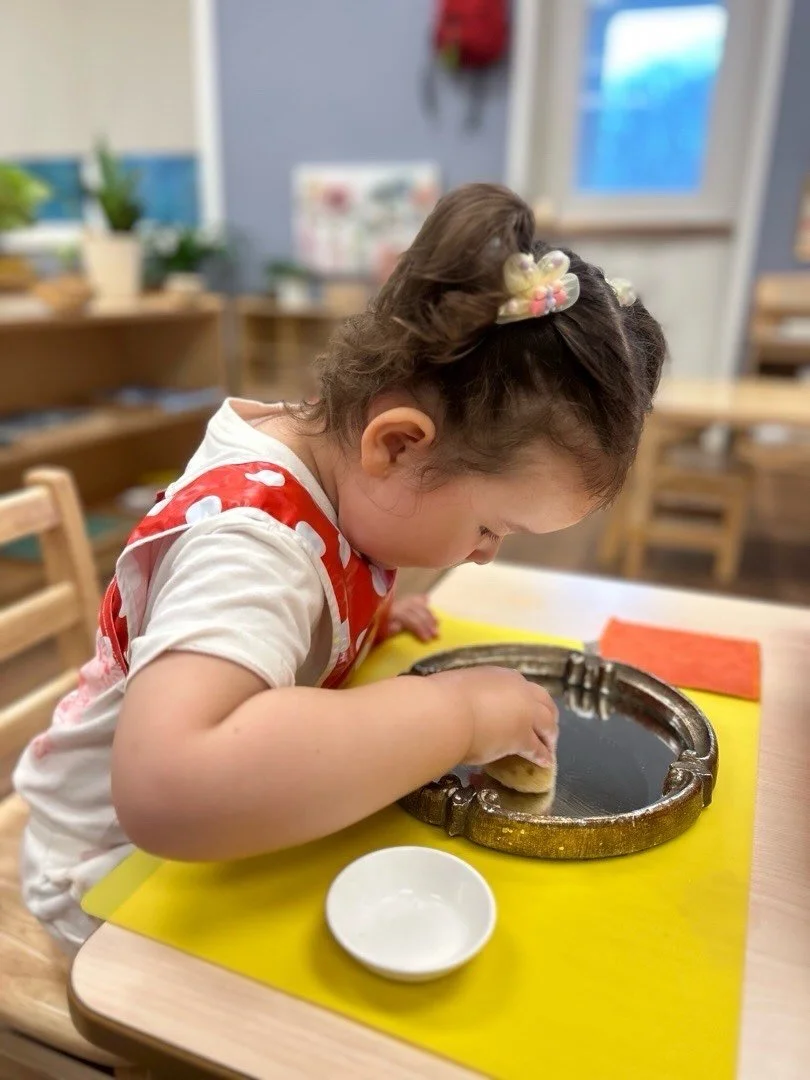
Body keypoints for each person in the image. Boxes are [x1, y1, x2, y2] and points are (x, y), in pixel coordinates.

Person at [14, 184, 666, 951]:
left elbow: (284, 610)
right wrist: (461, 717)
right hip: (113, 875)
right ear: (396, 445)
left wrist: (367, 615)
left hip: (201, 846)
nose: (487, 552)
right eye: (491, 526)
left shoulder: (341, 476)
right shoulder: (250, 544)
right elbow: (169, 786)